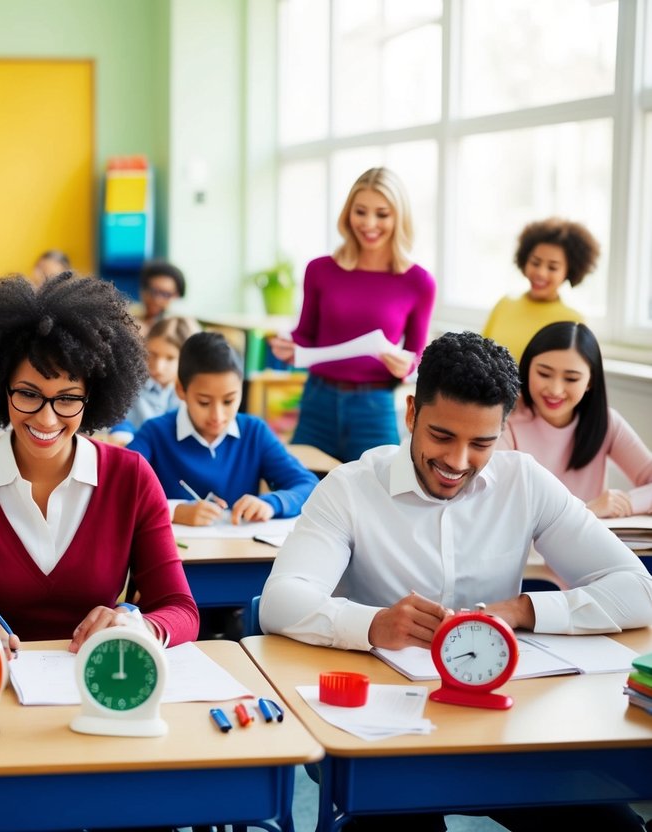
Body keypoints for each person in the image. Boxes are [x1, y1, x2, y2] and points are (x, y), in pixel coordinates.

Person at [260, 330, 652, 831]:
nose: (458, 461)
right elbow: (280, 601)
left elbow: (638, 590)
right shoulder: (350, 489)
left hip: (506, 728)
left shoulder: (525, 483)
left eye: (482, 443)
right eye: (442, 436)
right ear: (411, 414)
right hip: (387, 738)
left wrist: (522, 610)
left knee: (613, 829)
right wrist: (375, 623)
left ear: (503, 430)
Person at [0, 273, 199, 653]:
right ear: (0, 388)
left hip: (98, 688)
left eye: (67, 398)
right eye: (28, 394)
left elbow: (182, 610)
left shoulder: (130, 477)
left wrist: (138, 625)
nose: (47, 420)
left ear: (94, 395)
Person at [269, 167, 436, 462]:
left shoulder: (419, 282)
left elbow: (418, 357)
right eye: (360, 211)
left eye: (382, 214)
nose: (369, 223)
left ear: (399, 218)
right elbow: (306, 334)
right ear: (348, 213)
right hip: (317, 400)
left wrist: (407, 367)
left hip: (374, 406)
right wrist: (286, 343)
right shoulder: (320, 270)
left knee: (379, 497)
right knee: (304, 487)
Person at [129, 331, 317, 526]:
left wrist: (272, 503)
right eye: (204, 402)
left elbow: (308, 485)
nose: (217, 416)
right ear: (181, 390)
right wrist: (173, 511)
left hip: (237, 552)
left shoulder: (254, 432)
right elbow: (116, 487)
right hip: (180, 553)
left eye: (229, 401)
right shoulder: (155, 433)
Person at [498, 321, 651, 518]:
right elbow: (502, 509)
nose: (555, 389)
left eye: (571, 379)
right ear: (527, 370)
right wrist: (588, 511)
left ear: (590, 382)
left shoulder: (607, 422)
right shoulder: (506, 421)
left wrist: (624, 503)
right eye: (544, 374)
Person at [482, 218, 599, 364]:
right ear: (525, 261)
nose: (541, 273)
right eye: (535, 263)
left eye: (552, 267)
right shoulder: (504, 304)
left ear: (569, 271)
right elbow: (480, 357)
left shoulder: (573, 322)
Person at [109, 315, 196, 444]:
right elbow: (121, 421)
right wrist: (122, 434)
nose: (158, 367)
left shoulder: (191, 394)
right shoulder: (131, 384)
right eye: (153, 354)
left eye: (170, 358)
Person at [136, 259, 186, 337]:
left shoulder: (180, 328)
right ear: (142, 290)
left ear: (176, 295)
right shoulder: (128, 316)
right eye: (153, 291)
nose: (157, 299)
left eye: (165, 294)